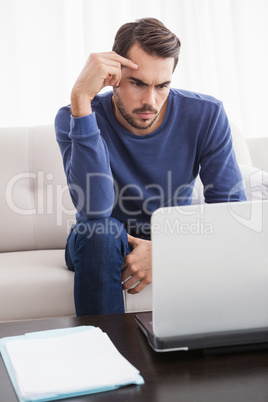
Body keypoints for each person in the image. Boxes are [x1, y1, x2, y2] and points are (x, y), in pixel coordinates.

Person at [55, 18, 246, 316]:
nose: (150, 101)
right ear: (114, 76)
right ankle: (103, 355)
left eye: (162, 86)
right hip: (99, 240)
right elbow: (94, 210)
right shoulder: (77, 115)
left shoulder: (207, 115)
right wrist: (81, 99)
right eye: (138, 83)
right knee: (102, 231)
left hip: (172, 234)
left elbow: (231, 215)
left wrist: (168, 251)